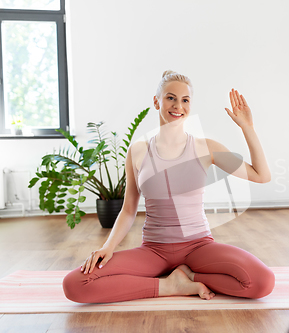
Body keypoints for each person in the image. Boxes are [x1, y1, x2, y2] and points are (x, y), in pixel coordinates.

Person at [62, 70, 275, 303]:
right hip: (154, 250)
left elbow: (261, 175)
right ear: (157, 101)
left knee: (263, 281)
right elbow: (129, 209)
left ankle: (189, 276)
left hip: (199, 246)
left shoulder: (206, 147)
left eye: (185, 100)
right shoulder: (138, 151)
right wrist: (108, 247)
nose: (178, 106)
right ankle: (170, 285)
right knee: (75, 284)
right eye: (170, 98)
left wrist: (247, 127)